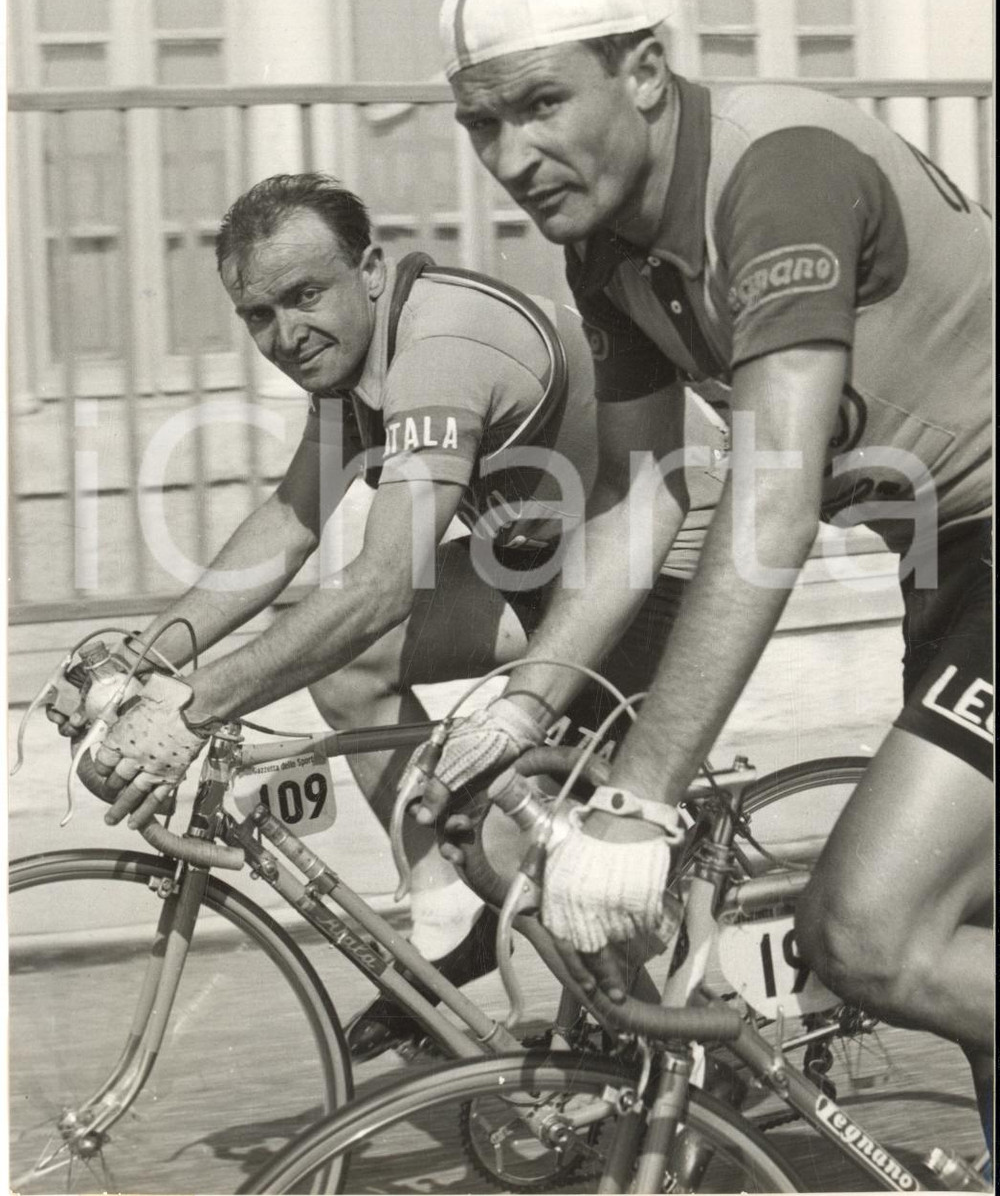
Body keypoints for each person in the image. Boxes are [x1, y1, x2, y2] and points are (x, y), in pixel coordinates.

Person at [414, 0, 993, 1145]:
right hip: (950, 561)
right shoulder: (605, 246)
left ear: (641, 70)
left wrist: (641, 801)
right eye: (480, 125)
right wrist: (523, 702)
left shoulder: (772, 171)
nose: (511, 156)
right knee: (970, 942)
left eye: (538, 105)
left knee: (870, 934)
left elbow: (770, 499)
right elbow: (641, 499)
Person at [73, 170, 725, 1060]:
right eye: (258, 316)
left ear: (370, 270)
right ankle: (446, 912)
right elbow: (292, 521)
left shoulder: (438, 349)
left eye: (304, 296)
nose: (285, 334)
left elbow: (380, 582)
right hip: (543, 561)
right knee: (352, 671)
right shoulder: (351, 366)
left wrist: (193, 708)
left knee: (514, 834)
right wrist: (149, 661)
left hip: (663, 558)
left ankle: (681, 1052)